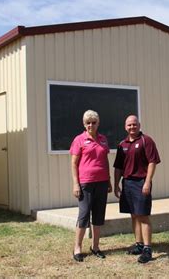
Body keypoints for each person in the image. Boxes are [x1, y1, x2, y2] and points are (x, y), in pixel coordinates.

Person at [113, 115, 161, 264]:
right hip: (127, 184)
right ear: (125, 127)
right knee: (134, 215)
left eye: (134, 124)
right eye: (129, 125)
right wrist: (116, 185)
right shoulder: (122, 144)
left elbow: (152, 162)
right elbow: (118, 167)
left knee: (143, 215)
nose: (132, 127)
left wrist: (147, 182)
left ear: (139, 125)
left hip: (141, 182)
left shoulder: (147, 141)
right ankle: (139, 245)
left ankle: (147, 249)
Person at [70, 110, 112, 262]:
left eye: (94, 122)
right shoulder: (79, 140)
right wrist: (76, 183)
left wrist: (108, 180)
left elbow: (105, 161)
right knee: (84, 214)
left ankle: (95, 247)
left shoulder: (103, 139)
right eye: (88, 122)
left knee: (99, 215)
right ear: (84, 124)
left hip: (101, 182)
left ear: (98, 123)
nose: (91, 125)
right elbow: (74, 163)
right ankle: (77, 248)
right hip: (85, 183)